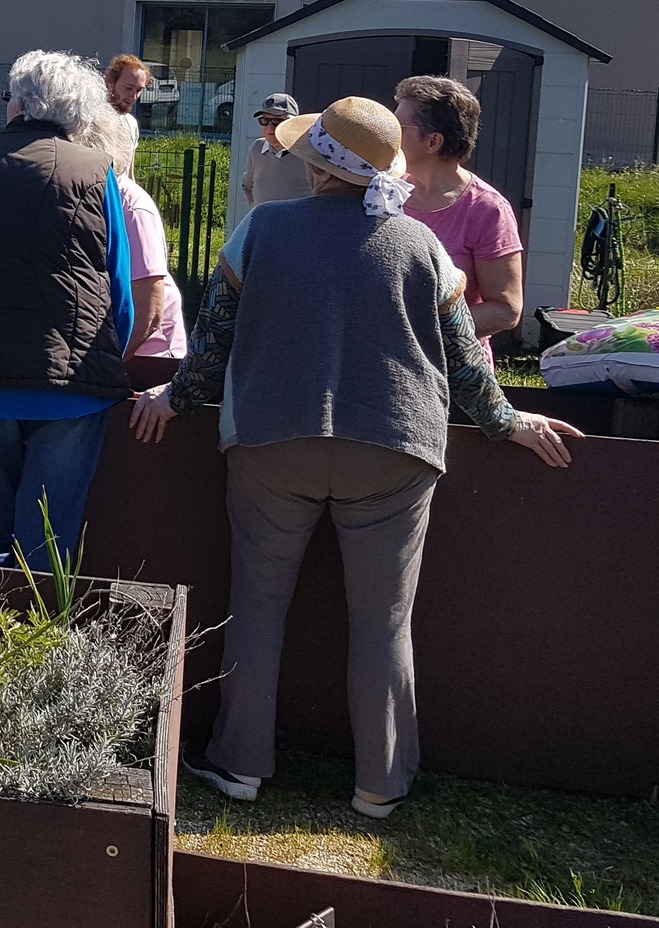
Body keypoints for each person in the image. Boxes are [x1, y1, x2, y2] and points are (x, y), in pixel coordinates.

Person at [130, 97, 580, 820]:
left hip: (272, 445)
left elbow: (213, 346)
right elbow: (467, 369)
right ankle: (381, 784)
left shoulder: (260, 231)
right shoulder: (423, 246)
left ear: (314, 166)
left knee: (258, 606)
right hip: (396, 452)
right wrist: (509, 423)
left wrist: (170, 401)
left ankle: (239, 765)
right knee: (384, 621)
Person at [0, 50, 134, 571]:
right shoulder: (95, 170)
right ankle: (38, 641)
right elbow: (117, 286)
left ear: (20, 104)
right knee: (47, 540)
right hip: (71, 388)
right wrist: (108, 359)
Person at [395, 75, 523, 366]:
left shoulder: (487, 209)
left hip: (455, 376)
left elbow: (506, 310)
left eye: (398, 128)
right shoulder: (387, 193)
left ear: (433, 141)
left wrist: (416, 329)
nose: (388, 135)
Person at [80, 108, 185, 361]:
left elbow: (149, 314)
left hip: (150, 355)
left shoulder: (132, 207)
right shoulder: (86, 196)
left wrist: (106, 368)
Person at [239, 92, 312, 209]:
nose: (270, 127)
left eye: (277, 121)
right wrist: (256, 210)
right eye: (264, 121)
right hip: (263, 225)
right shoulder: (257, 148)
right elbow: (247, 185)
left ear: (293, 123)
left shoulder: (308, 153)